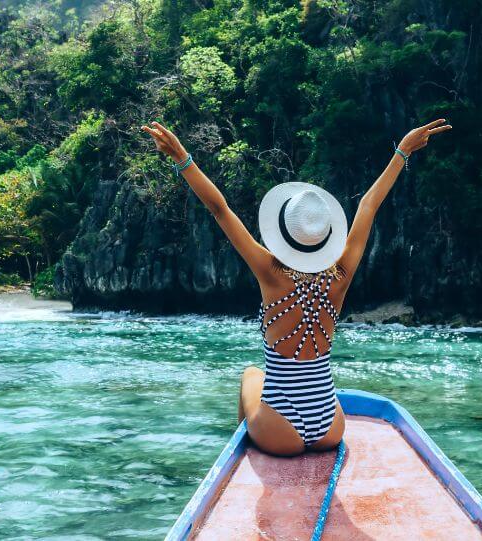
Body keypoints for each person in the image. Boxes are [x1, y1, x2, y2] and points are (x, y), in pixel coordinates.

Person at [141, 119, 452, 456]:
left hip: (280, 430)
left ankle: (241, 458)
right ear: (325, 238)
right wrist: (402, 152)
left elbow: (220, 209)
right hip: (330, 427)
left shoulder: (270, 273)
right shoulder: (341, 274)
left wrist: (182, 158)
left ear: (283, 234)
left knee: (250, 374)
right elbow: (368, 206)